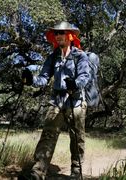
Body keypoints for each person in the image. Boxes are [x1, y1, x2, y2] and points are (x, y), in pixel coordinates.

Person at [21, 21, 90, 179]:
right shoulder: (53, 57)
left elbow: (85, 76)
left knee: (77, 137)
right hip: (57, 101)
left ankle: (76, 171)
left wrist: (76, 84)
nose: (58, 36)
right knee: (48, 135)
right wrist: (32, 80)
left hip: (76, 101)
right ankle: (38, 172)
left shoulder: (80, 55)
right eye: (56, 33)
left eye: (61, 33)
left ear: (70, 36)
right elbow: (44, 78)